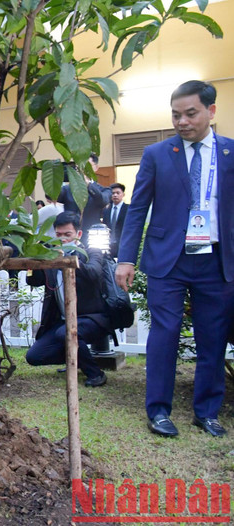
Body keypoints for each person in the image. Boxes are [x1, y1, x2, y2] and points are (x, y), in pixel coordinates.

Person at [116, 80, 234, 438]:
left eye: (190, 113)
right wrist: (125, 259)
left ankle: (207, 411)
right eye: (176, 114)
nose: (182, 121)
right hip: (169, 260)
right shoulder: (157, 154)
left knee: (212, 337)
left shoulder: (230, 153)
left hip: (217, 261)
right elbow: (137, 211)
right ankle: (159, 411)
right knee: (164, 335)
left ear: (211, 112)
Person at [25, 211, 109, 387]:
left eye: (67, 235)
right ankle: (75, 358)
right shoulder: (52, 255)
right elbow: (34, 281)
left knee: (65, 332)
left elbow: (93, 274)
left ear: (78, 234)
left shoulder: (91, 251)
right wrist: (34, 259)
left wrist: (70, 260)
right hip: (61, 322)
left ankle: (96, 374)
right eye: (58, 235)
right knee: (34, 357)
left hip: (92, 318)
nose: (62, 239)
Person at [57, 157, 111, 245]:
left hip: (93, 238)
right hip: (70, 238)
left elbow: (103, 200)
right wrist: (57, 177)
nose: (83, 169)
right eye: (80, 166)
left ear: (96, 167)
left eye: (87, 165)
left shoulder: (104, 190)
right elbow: (51, 196)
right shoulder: (67, 189)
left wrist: (87, 184)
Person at [102, 183, 128, 258]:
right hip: (108, 246)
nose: (115, 195)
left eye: (118, 193)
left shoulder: (128, 209)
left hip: (123, 245)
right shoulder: (106, 210)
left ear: (123, 194)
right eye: (113, 193)